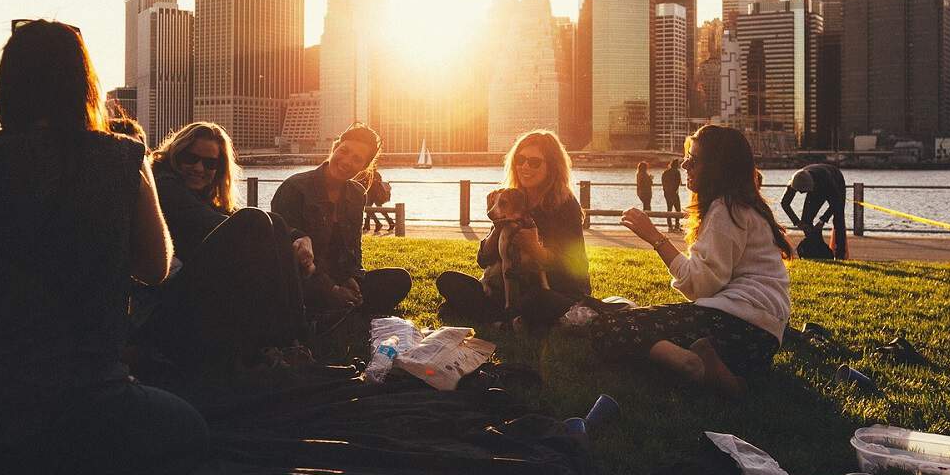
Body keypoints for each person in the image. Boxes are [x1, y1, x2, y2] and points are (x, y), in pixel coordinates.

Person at [0, 19, 206, 475]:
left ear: (4, 88)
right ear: (85, 86)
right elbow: (155, 267)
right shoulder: (124, 158)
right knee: (190, 427)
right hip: (94, 403)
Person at [590, 124, 793, 398]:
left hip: (735, 325)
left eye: (693, 159)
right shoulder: (745, 208)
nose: (685, 164)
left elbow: (700, 285)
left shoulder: (725, 210)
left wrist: (655, 238)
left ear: (717, 168)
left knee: (610, 327)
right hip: (762, 340)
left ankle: (690, 364)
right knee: (641, 323)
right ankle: (725, 376)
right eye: (687, 155)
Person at [135, 122, 312, 376]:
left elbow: (230, 217)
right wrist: (276, 243)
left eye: (210, 163)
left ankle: (292, 342)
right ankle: (285, 342)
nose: (199, 168)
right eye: (190, 158)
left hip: (188, 298)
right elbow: (225, 225)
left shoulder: (201, 196)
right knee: (255, 222)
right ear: (175, 155)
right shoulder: (165, 186)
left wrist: (298, 237)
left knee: (276, 221)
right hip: (160, 308)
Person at [435, 130, 591, 328]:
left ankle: (497, 317)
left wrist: (536, 249)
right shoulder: (509, 200)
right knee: (448, 280)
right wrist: (496, 230)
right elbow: (483, 260)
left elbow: (574, 267)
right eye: (520, 159)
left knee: (537, 300)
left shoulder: (565, 205)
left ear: (552, 167)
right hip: (512, 288)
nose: (525, 166)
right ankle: (508, 319)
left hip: (555, 290)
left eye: (534, 162)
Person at [272, 124, 411, 318]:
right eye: (344, 151)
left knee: (399, 279)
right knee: (297, 291)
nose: (346, 161)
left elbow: (354, 248)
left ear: (364, 167)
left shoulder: (357, 194)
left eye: (357, 159)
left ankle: (340, 309)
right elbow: (290, 256)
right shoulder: (295, 187)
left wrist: (352, 277)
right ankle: (334, 310)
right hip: (302, 278)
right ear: (335, 147)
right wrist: (332, 290)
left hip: (336, 275)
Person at [780, 163, 848, 260]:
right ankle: (816, 248)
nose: (801, 193)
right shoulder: (794, 181)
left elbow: (836, 203)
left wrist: (822, 221)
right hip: (814, 182)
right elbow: (784, 203)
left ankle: (840, 255)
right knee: (806, 221)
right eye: (799, 191)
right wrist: (797, 222)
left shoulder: (827, 181)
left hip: (835, 179)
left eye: (803, 191)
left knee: (838, 218)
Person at [661, 158, 682, 232]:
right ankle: (677, 226)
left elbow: (663, 183)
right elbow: (678, 183)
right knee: (678, 210)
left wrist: (666, 190)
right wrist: (674, 191)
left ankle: (670, 227)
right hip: (674, 193)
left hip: (667, 193)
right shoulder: (677, 172)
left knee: (669, 209)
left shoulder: (665, 172)